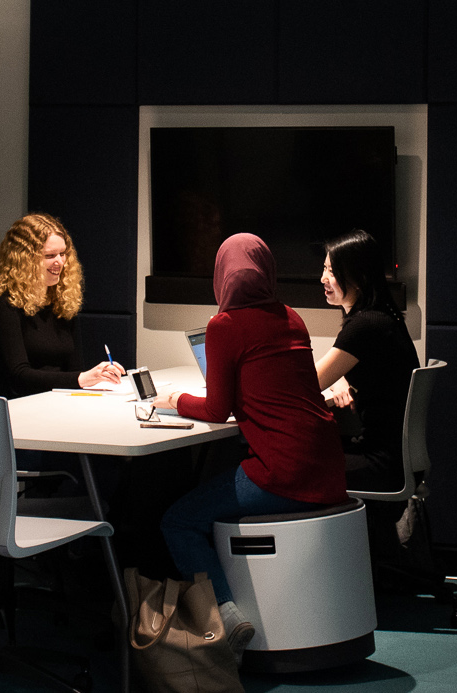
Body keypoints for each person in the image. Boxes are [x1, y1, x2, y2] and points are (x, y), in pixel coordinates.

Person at [154, 233, 348, 657]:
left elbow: (217, 408)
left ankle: (226, 614)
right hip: (329, 466)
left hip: (283, 474)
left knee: (178, 520)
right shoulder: (291, 317)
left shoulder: (223, 326)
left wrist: (174, 401)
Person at [314, 230, 420, 556]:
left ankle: (330, 569)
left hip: (380, 464)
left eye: (332, 271)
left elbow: (305, 382)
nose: (323, 278)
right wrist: (340, 380)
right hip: (396, 459)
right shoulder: (384, 317)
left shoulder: (363, 325)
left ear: (357, 275)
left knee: (299, 466)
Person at [0, 213, 124, 398]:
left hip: (57, 400)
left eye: (63, 254)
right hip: (21, 406)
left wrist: (91, 377)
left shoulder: (62, 301)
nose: (60, 262)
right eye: (50, 255)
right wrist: (81, 379)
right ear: (23, 260)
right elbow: (18, 376)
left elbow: (74, 369)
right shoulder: (4, 305)